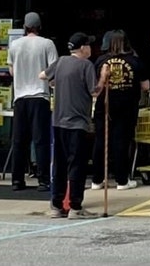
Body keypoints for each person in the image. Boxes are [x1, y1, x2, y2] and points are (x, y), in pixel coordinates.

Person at [40, 32, 99, 219]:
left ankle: (56, 205)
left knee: (59, 164)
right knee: (77, 165)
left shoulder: (62, 62)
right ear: (82, 47)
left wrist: (57, 82)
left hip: (58, 121)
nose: (90, 48)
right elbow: (94, 91)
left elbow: (42, 75)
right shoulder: (86, 65)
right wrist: (104, 78)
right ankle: (75, 206)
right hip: (77, 123)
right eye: (88, 45)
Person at [6, 12, 57, 192]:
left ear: (25, 27)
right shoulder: (47, 44)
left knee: (19, 141)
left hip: (20, 97)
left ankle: (17, 181)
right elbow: (53, 71)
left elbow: (11, 71)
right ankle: (43, 180)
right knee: (41, 140)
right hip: (40, 96)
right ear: (39, 26)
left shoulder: (14, 45)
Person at [91, 29, 148, 191]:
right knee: (121, 142)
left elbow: (96, 85)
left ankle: (97, 180)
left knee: (101, 141)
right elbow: (146, 86)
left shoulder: (101, 61)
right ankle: (122, 180)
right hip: (127, 107)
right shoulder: (135, 61)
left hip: (105, 106)